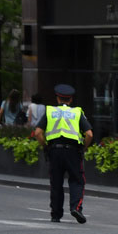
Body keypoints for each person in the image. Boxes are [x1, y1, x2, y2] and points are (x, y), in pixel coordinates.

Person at [31, 84, 93, 223]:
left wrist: (46, 146)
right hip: (73, 151)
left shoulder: (49, 111)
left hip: (55, 151)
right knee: (77, 180)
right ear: (70, 100)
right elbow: (89, 134)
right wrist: (83, 147)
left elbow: (38, 133)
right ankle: (76, 208)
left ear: (57, 98)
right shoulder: (77, 112)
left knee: (56, 183)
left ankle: (56, 214)